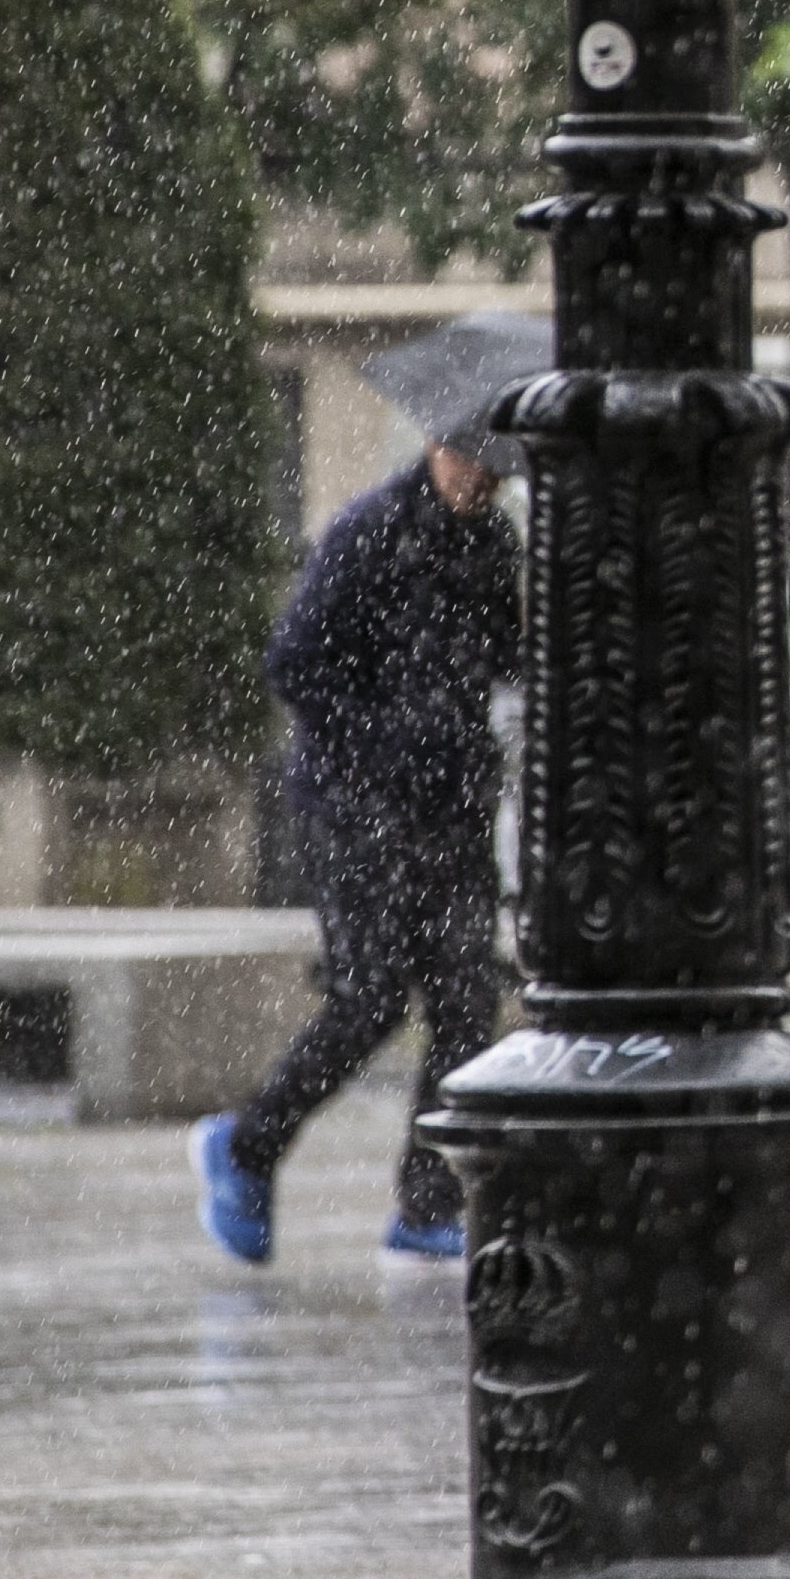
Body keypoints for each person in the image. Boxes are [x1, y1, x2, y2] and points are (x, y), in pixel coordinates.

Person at [196, 425, 524, 1265]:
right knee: (370, 996)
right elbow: (293, 661)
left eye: (496, 465)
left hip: (451, 806)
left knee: (464, 1000)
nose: (480, 479)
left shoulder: (493, 544)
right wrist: (383, 738)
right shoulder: (370, 530)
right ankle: (246, 1147)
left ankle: (427, 1201)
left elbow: (511, 656)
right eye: (467, 459)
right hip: (356, 807)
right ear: (434, 445)